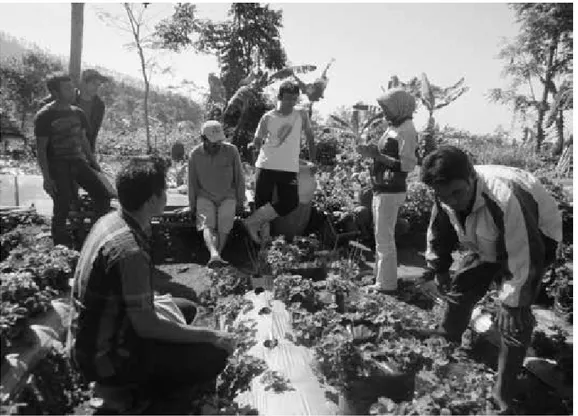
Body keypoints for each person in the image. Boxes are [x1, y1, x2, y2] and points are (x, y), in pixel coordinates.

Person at [71, 155, 236, 410]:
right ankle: (141, 391)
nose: (167, 196)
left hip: (89, 339)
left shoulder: (111, 221)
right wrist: (211, 335)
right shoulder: (129, 252)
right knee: (214, 355)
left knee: (185, 307)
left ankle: (146, 373)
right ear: (152, 200)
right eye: (165, 191)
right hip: (107, 359)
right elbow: (147, 327)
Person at [415, 145, 562, 412]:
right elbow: (439, 231)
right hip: (488, 241)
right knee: (461, 288)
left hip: (535, 239)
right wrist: (439, 267)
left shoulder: (505, 198)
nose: (452, 201)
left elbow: (525, 253)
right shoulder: (445, 195)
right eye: (444, 196)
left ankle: (503, 390)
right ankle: (448, 339)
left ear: (472, 176)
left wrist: (513, 301)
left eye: (457, 192)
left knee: (514, 317)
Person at [34, 72, 113, 247]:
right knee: (63, 205)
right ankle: (61, 248)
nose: (72, 91)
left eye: (72, 87)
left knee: (102, 196)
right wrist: (47, 178)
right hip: (57, 164)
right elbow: (40, 149)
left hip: (78, 162)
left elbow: (85, 141)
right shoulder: (44, 116)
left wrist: (94, 164)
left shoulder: (79, 113)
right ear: (55, 93)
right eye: (67, 88)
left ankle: (94, 237)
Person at [356, 88, 418, 293]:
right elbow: (383, 156)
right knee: (381, 237)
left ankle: (387, 284)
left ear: (398, 107)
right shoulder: (395, 127)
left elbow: (407, 165)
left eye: (386, 108)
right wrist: (371, 153)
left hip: (391, 191)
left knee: (384, 238)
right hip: (382, 188)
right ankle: (380, 279)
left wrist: (378, 156)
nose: (384, 112)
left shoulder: (407, 130)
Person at [243, 80, 316, 244]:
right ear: (279, 97)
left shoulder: (301, 114)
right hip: (266, 165)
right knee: (264, 203)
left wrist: (313, 161)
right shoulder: (268, 117)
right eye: (288, 98)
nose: (291, 102)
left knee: (290, 202)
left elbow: (310, 138)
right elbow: (258, 139)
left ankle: (250, 222)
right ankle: (264, 243)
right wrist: (253, 145)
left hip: (289, 168)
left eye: (294, 99)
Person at [188, 121, 246, 267]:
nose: (217, 145)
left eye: (219, 142)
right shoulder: (194, 155)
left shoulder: (231, 151)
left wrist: (240, 201)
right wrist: (192, 205)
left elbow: (239, 177)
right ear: (203, 139)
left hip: (228, 195)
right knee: (207, 224)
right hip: (205, 195)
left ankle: (216, 256)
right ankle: (215, 254)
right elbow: (192, 182)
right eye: (213, 143)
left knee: (224, 223)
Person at [75, 69, 109, 154]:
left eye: (99, 85)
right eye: (94, 83)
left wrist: (91, 155)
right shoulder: (70, 98)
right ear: (83, 83)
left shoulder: (99, 106)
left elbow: (93, 133)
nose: (96, 87)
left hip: (85, 151)